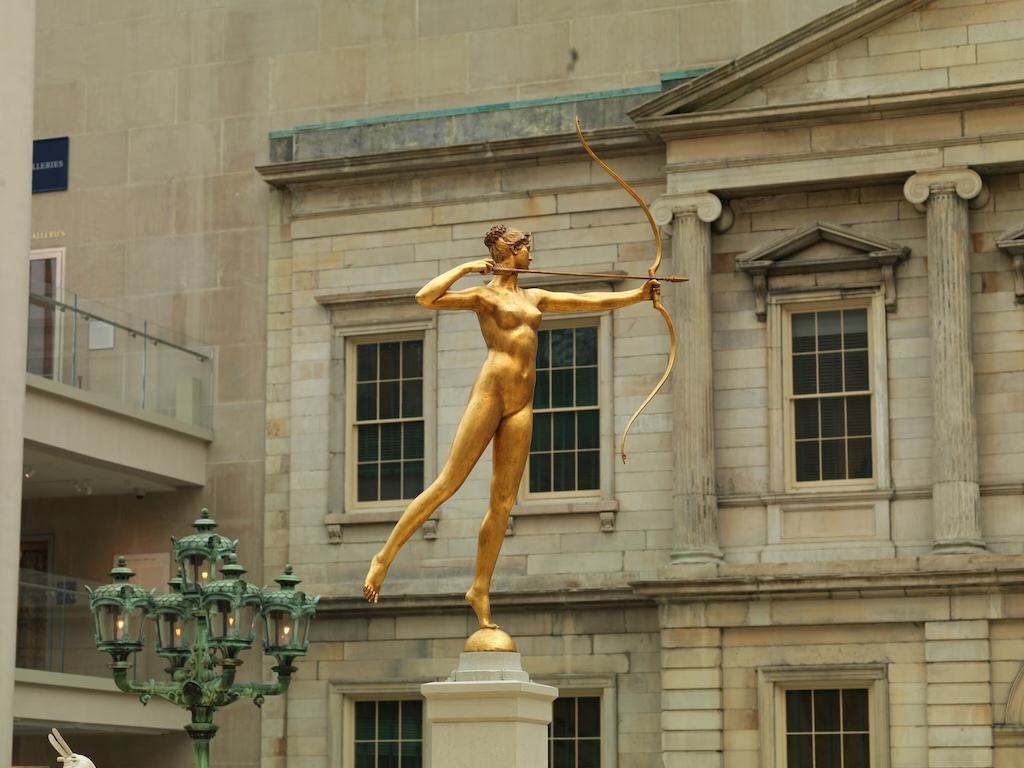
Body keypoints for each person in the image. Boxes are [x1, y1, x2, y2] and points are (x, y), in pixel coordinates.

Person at [363, 224, 658, 630]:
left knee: (503, 502)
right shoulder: (484, 297)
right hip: (492, 391)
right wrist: (467, 267)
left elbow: (587, 301)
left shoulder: (535, 297)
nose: (532, 257)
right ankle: (384, 557)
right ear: (511, 252)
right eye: (527, 249)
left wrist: (638, 295)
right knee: (449, 482)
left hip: (522, 400)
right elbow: (425, 298)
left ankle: (479, 589)